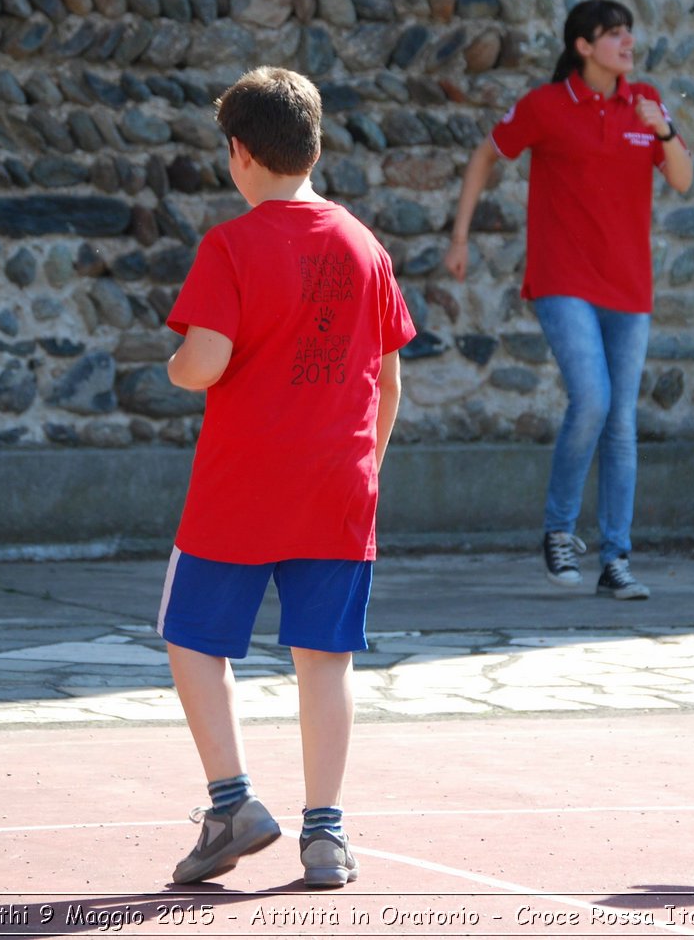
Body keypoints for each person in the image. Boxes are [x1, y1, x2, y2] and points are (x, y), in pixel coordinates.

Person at [159, 66, 415, 888]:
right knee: (326, 660)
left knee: (193, 639)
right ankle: (325, 833)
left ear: (239, 154)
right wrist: (365, 466)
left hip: (242, 484)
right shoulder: (362, 244)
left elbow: (205, 363)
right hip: (337, 483)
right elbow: (390, 377)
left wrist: (174, 365)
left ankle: (232, 801)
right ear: (314, 145)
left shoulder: (229, 245)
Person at [445, 0, 692, 599]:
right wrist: (460, 236)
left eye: (629, 31)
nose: (627, 42)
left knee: (621, 422)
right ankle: (558, 531)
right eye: (613, 34)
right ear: (583, 46)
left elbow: (684, 179)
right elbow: (486, 154)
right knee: (593, 400)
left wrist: (665, 128)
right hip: (562, 281)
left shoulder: (646, 102)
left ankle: (616, 561)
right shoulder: (546, 106)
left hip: (629, 287)